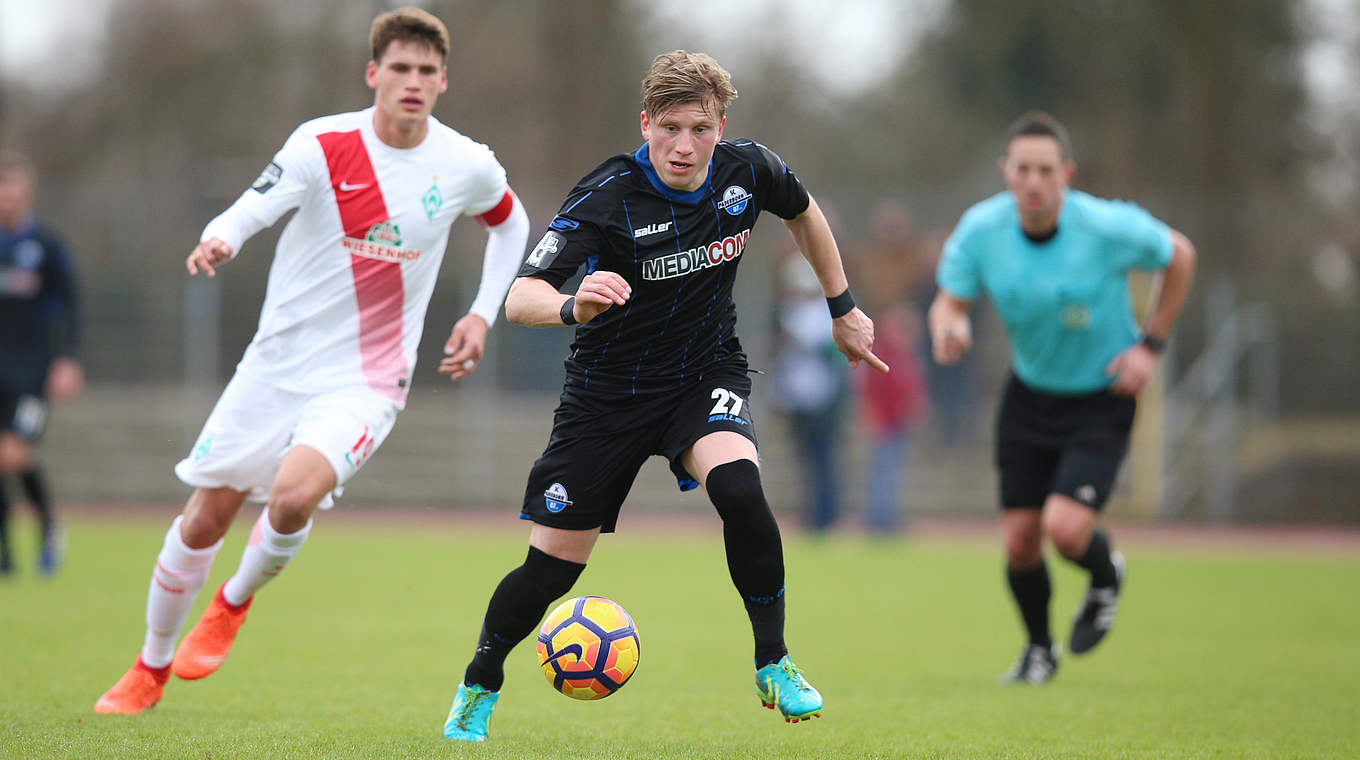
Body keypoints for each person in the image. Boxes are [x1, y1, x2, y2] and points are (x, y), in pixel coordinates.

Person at [440, 50, 887, 742]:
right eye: (670, 127)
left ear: (721, 126)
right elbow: (520, 296)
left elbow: (805, 216)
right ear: (645, 123)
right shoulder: (609, 193)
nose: (684, 145)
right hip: (605, 398)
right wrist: (571, 305)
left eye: (700, 129)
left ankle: (774, 660)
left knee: (740, 490)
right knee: (548, 571)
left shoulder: (750, 170)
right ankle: (481, 679)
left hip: (703, 375)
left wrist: (843, 306)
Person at [93, 7, 530, 715]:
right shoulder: (323, 144)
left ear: (443, 80)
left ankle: (232, 603)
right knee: (207, 517)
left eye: (426, 71)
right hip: (274, 368)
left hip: (367, 378)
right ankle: (148, 668)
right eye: (400, 68)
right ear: (373, 74)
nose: (412, 82)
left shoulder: (465, 164)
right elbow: (250, 208)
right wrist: (221, 239)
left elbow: (512, 221)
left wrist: (482, 312)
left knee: (294, 497)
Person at [929, 111, 1195, 684]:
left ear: (1066, 175)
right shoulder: (980, 230)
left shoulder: (1106, 226)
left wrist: (1151, 345)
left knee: (1066, 530)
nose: (1033, 182)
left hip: (1103, 394)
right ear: (1006, 171)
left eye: (1046, 170)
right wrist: (950, 327)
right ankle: (1039, 651)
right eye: (1023, 169)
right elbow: (949, 302)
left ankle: (1106, 575)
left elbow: (1181, 255)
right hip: (1028, 395)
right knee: (1021, 542)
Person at [0, 152, 83, 577]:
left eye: (12, 186)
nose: (6, 196)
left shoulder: (46, 246)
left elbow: (69, 304)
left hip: (32, 368)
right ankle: (7, 554)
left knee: (12, 456)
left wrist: (67, 357)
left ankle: (49, 528)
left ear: (26, 192)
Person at [771, 251, 851, 533]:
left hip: (821, 397)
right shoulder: (791, 312)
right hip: (800, 398)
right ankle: (813, 514)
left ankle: (826, 515)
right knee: (807, 460)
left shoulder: (821, 313)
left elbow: (821, 351)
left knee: (822, 459)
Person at [855, 300, 927, 534]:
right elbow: (873, 386)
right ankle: (880, 519)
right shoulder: (885, 352)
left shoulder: (901, 353)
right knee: (885, 469)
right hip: (885, 419)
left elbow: (910, 386)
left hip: (896, 419)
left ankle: (885, 516)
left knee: (889, 469)